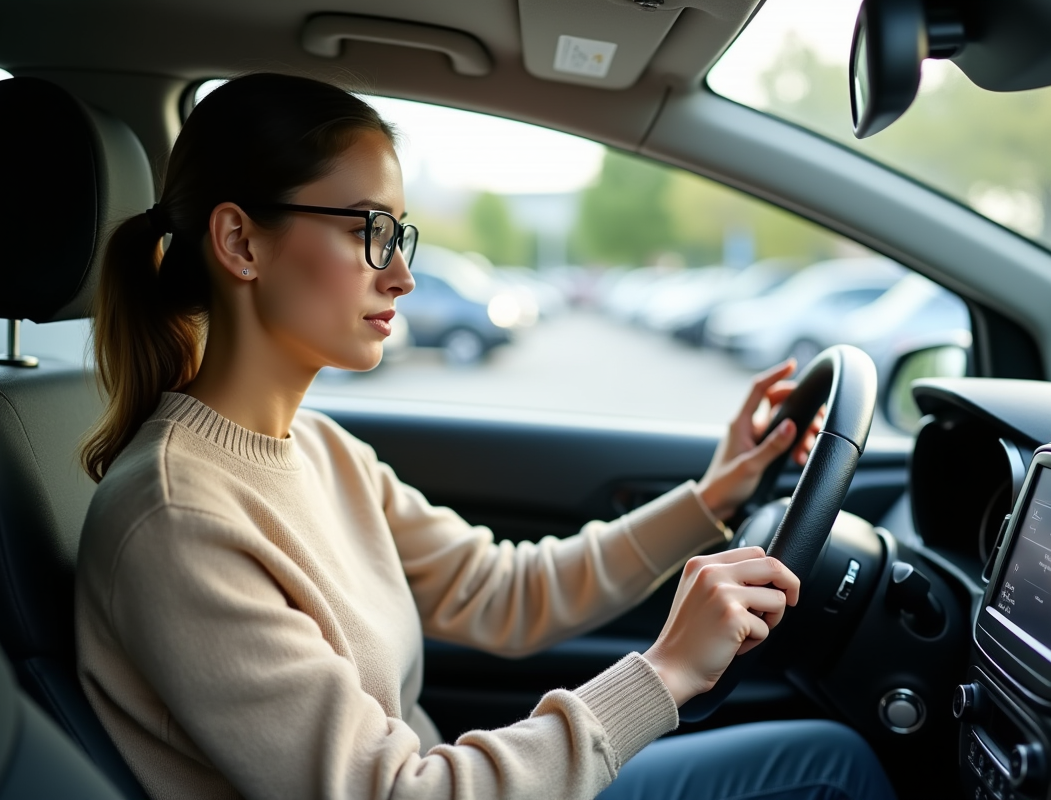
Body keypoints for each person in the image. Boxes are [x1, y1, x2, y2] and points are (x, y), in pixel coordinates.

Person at [75, 73, 895, 800]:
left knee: (827, 756)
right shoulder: (178, 521)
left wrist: (714, 497)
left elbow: (505, 591)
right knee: (832, 772)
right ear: (240, 242)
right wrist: (666, 672)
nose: (400, 274)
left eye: (400, 235)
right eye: (369, 230)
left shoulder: (321, 451)